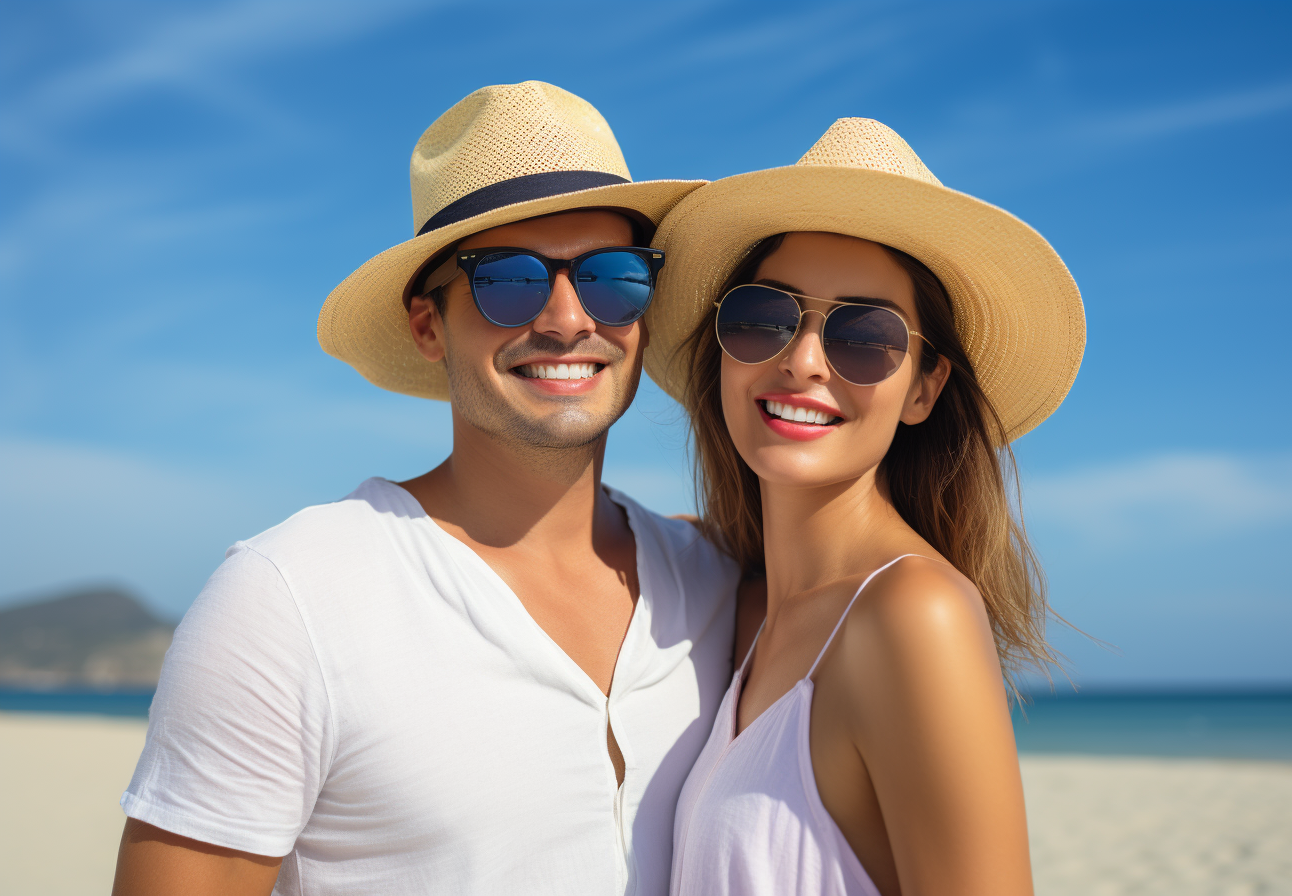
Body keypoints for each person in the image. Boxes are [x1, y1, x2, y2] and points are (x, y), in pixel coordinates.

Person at [111, 81, 740, 896]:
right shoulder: (288, 600)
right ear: (427, 324)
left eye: (611, 277)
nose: (565, 319)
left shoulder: (719, 581)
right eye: (508, 281)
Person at [643, 118, 1086, 895]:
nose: (804, 360)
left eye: (866, 336)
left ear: (924, 387)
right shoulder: (738, 609)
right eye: (763, 317)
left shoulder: (914, 614)